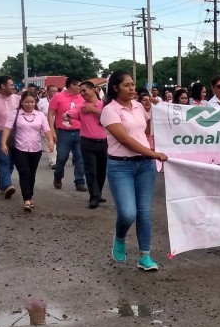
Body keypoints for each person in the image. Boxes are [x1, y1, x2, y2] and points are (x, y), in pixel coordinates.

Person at [100, 70, 168, 272]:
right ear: (115, 87)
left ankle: (145, 256)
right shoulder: (109, 110)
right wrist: (153, 152)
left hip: (145, 166)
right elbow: (125, 139)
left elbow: (143, 130)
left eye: (133, 84)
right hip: (120, 167)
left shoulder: (138, 106)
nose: (132, 88)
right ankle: (120, 237)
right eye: (127, 85)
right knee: (128, 212)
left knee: (144, 212)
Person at [0, 90, 54, 212]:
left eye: (32, 102)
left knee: (32, 174)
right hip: (20, 148)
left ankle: (29, 195)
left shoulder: (39, 115)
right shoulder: (15, 113)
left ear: (35, 102)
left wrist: (50, 141)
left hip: (36, 149)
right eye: (27, 102)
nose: (29, 104)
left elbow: (46, 129)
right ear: (22, 102)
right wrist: (3, 143)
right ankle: (27, 199)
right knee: (24, 172)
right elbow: (7, 128)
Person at [48, 77, 87, 192]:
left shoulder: (81, 97)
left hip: (79, 132)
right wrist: (52, 130)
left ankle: (80, 182)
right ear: (71, 85)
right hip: (63, 132)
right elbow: (51, 114)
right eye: (78, 85)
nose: (80, 88)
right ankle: (58, 176)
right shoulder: (58, 97)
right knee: (62, 158)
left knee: (80, 158)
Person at [74, 81, 108, 209]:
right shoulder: (81, 106)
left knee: (101, 171)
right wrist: (67, 115)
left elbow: (109, 118)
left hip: (103, 143)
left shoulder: (104, 105)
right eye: (80, 91)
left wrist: (93, 110)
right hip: (87, 142)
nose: (82, 93)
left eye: (84, 90)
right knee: (91, 170)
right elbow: (72, 112)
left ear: (94, 89)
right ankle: (93, 196)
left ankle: (98, 193)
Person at [0, 75, 21, 198]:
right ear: (3, 86)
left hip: (14, 134)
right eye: (11, 85)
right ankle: (7, 184)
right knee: (3, 159)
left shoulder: (17, 99)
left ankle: (3, 185)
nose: (14, 87)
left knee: (11, 161)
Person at [38, 84, 58, 168]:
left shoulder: (60, 100)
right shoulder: (42, 102)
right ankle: (53, 161)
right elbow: (37, 113)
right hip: (46, 127)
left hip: (59, 126)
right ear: (47, 92)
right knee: (50, 143)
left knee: (57, 144)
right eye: (52, 91)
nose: (54, 93)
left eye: (56, 91)